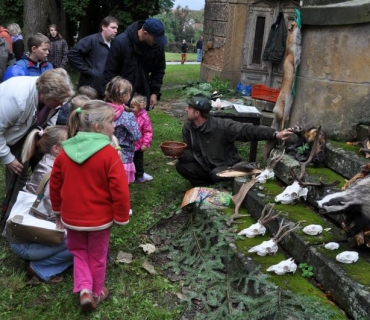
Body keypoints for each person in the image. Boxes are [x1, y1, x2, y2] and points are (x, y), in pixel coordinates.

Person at [49, 100, 131, 311]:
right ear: (97, 126)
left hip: (72, 217)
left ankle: (84, 289)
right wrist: (121, 216)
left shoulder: (65, 152)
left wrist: (57, 210)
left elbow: (55, 185)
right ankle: (96, 291)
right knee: (97, 255)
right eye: (111, 122)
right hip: (100, 220)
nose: (114, 126)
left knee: (78, 251)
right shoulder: (109, 154)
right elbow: (120, 189)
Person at [0, 68, 74, 220]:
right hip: (5, 128)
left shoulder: (55, 97)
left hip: (19, 131)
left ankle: (14, 217)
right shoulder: (16, 99)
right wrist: (8, 158)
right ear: (44, 94)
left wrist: (46, 132)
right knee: (14, 165)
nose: (61, 103)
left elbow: (52, 114)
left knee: (20, 172)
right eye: (58, 101)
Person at [176, 93, 294, 187]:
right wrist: (179, 154)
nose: (186, 109)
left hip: (224, 165)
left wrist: (275, 134)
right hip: (204, 165)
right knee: (182, 167)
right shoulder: (188, 128)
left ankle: (222, 185)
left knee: (216, 175)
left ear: (197, 113)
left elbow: (248, 130)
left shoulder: (222, 126)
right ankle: (203, 187)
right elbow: (190, 151)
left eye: (189, 107)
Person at [5, 125, 73, 284]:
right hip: (27, 241)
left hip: (23, 235)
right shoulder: (54, 174)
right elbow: (52, 216)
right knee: (84, 241)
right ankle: (41, 268)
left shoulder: (48, 163)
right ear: (57, 149)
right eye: (72, 142)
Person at [103, 17, 167, 110]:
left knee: (141, 123)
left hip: (141, 97)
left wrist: (154, 93)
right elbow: (109, 73)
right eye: (155, 38)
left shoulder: (157, 46)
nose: (157, 41)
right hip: (121, 98)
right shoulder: (120, 43)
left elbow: (159, 71)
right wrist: (115, 99)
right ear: (145, 33)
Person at [68, 16, 118, 96]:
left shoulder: (115, 44)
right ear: (103, 27)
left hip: (106, 88)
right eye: (113, 28)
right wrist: (88, 71)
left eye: (116, 28)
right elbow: (72, 54)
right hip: (90, 88)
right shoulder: (91, 40)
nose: (115, 31)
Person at [105, 76, 141, 183]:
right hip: (123, 156)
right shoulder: (127, 116)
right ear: (124, 96)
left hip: (104, 153)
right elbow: (136, 135)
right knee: (120, 185)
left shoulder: (102, 110)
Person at [131, 94, 153, 183]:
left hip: (139, 145)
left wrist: (145, 143)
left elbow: (148, 131)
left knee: (138, 160)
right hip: (129, 144)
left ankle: (139, 174)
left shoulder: (144, 117)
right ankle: (130, 173)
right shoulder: (129, 115)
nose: (131, 109)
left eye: (133, 107)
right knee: (129, 160)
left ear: (140, 107)